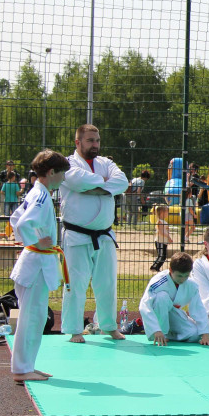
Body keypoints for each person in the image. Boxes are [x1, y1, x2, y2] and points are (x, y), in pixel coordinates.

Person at [59, 123, 130, 343]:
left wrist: (96, 187)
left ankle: (108, 326)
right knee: (75, 284)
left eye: (97, 140)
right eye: (90, 140)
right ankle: (74, 329)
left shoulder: (105, 163)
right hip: (77, 235)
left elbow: (123, 182)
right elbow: (77, 181)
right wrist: (106, 185)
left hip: (105, 234)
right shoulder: (67, 164)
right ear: (77, 142)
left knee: (107, 284)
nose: (95, 145)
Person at [8, 149, 71, 383]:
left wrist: (30, 240)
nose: (63, 179)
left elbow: (15, 219)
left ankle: (27, 366)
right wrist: (34, 241)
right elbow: (23, 222)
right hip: (35, 265)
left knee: (34, 318)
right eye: (62, 174)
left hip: (34, 264)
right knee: (31, 319)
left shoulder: (38, 192)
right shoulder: (41, 196)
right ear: (52, 172)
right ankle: (22, 369)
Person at [139, 251, 209, 347]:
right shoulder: (158, 283)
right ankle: (161, 334)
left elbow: (198, 309)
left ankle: (170, 335)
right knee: (162, 297)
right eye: (179, 276)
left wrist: (205, 334)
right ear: (170, 270)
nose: (182, 279)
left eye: (186, 276)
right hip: (159, 316)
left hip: (175, 314)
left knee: (194, 334)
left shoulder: (192, 285)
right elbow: (145, 306)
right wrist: (156, 329)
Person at [150, 204, 173, 272]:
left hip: (163, 241)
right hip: (159, 241)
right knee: (161, 255)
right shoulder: (160, 222)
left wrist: (168, 239)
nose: (168, 212)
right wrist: (168, 237)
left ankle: (157, 268)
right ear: (162, 212)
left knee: (164, 256)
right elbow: (161, 232)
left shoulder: (164, 222)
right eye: (167, 211)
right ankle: (154, 267)